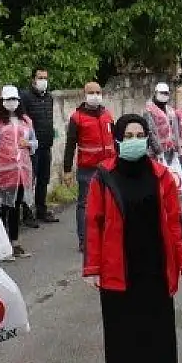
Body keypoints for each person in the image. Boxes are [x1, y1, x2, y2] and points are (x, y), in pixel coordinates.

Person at [83, 115, 182, 363]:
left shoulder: (161, 175)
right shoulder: (104, 177)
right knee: (122, 323)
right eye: (128, 136)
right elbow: (93, 223)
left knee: (155, 320)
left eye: (139, 135)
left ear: (147, 138)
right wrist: (92, 267)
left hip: (155, 263)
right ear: (118, 140)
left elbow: (175, 221)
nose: (134, 140)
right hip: (118, 264)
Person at [0, 85, 38, 259]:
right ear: (2, 101)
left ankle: (14, 242)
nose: (11, 103)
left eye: (14, 99)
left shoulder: (26, 121)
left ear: (19, 101)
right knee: (4, 208)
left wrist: (28, 144)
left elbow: (35, 142)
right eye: (7, 100)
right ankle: (1, 244)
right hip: (3, 171)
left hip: (22, 171)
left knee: (16, 207)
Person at [63, 81, 116, 253]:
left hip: (108, 168)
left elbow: (115, 141)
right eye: (91, 92)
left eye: (98, 92)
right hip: (87, 169)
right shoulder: (76, 118)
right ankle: (85, 241)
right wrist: (67, 170)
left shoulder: (107, 115)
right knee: (85, 205)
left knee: (108, 204)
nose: (95, 95)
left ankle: (104, 237)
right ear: (84, 95)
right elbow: (70, 146)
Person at [19, 67, 59, 226]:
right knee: (30, 181)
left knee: (43, 179)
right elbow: (23, 122)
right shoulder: (26, 97)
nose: (43, 81)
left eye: (45, 78)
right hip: (31, 147)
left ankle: (41, 210)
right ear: (33, 79)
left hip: (46, 145)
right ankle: (27, 214)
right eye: (40, 77)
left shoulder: (49, 97)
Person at [145, 82, 180, 167]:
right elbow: (150, 131)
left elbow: (175, 129)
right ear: (155, 93)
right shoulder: (149, 110)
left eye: (166, 93)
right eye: (161, 93)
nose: (164, 95)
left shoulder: (170, 110)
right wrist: (158, 151)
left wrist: (176, 146)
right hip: (155, 152)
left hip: (169, 150)